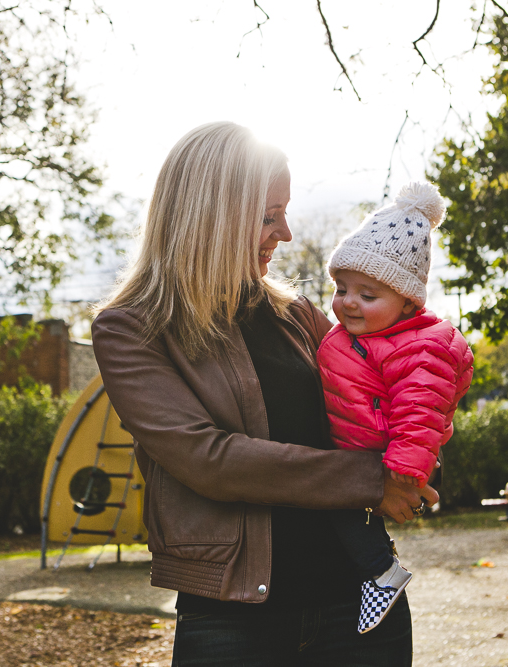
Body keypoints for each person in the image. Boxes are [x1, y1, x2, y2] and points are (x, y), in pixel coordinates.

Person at [90, 121, 432, 666]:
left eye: (284, 213)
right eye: (269, 217)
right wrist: (373, 479)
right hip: (232, 620)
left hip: (357, 605)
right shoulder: (132, 330)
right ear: (211, 216)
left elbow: (384, 389)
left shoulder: (297, 316)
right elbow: (210, 460)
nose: (287, 233)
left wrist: (422, 422)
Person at [317, 181, 474, 634]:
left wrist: (404, 465)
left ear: (407, 302)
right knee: (339, 511)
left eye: (367, 296)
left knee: (343, 511)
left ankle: (382, 574)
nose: (348, 302)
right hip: (353, 449)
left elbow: (421, 407)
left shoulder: (418, 347)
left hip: (376, 454)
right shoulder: (361, 335)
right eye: (342, 287)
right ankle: (376, 569)